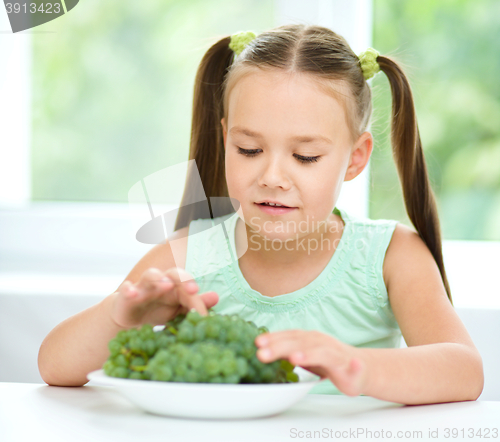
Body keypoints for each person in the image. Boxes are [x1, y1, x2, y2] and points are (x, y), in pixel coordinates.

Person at [38, 24, 483, 405]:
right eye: (249, 150)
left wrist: (356, 365)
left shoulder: (389, 256)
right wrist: (120, 318)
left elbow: (465, 371)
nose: (272, 176)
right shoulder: (186, 257)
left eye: (305, 156)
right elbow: (55, 366)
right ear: (225, 137)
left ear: (355, 158)